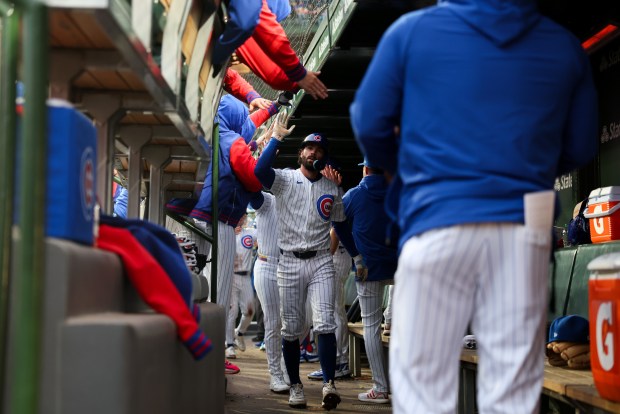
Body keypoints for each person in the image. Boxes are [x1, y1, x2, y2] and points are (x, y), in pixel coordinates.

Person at [349, 0, 599, 412]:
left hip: (434, 223)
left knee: (422, 395)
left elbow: (370, 120)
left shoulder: (411, 32)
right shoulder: (561, 44)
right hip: (521, 231)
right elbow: (581, 145)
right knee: (513, 395)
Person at [254, 114, 346, 410]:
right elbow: (259, 171)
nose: (313, 152)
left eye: (319, 150)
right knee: (291, 329)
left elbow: (340, 223)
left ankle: (329, 384)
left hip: (320, 260)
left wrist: (353, 254)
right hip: (289, 261)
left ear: (324, 157)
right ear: (301, 153)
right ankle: (295, 385)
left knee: (325, 323)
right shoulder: (284, 179)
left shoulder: (332, 188)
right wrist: (276, 138)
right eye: (309, 148)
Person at [189, 94, 278, 375]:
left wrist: (271, 108)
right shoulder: (233, 140)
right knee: (218, 293)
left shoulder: (210, 131)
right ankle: (213, 356)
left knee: (193, 284)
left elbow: (248, 125)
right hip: (221, 220)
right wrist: (266, 148)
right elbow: (252, 177)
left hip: (197, 213)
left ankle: (194, 349)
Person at [333, 158, 398, 404]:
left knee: (371, 326)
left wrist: (355, 255)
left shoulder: (355, 194)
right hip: (399, 265)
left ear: (365, 168)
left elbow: (337, 223)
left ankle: (381, 388)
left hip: (367, 267)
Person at [250, 191, 290, 393]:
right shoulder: (267, 200)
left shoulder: (298, 201)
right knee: (274, 322)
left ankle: (285, 366)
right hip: (266, 265)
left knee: (296, 322)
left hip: (290, 267)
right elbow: (252, 190)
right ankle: (276, 373)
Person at [307, 228, 351, 381]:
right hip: (340, 255)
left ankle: (338, 363)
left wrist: (325, 257)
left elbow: (336, 230)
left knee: (333, 312)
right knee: (336, 311)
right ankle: (340, 362)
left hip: (336, 256)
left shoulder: (339, 203)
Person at [225, 214, 258, 363]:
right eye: (238, 215)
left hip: (245, 276)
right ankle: (229, 344)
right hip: (231, 277)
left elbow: (262, 236)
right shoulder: (226, 232)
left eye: (242, 215)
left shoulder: (250, 233)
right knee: (232, 311)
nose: (240, 218)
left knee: (250, 311)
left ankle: (239, 333)